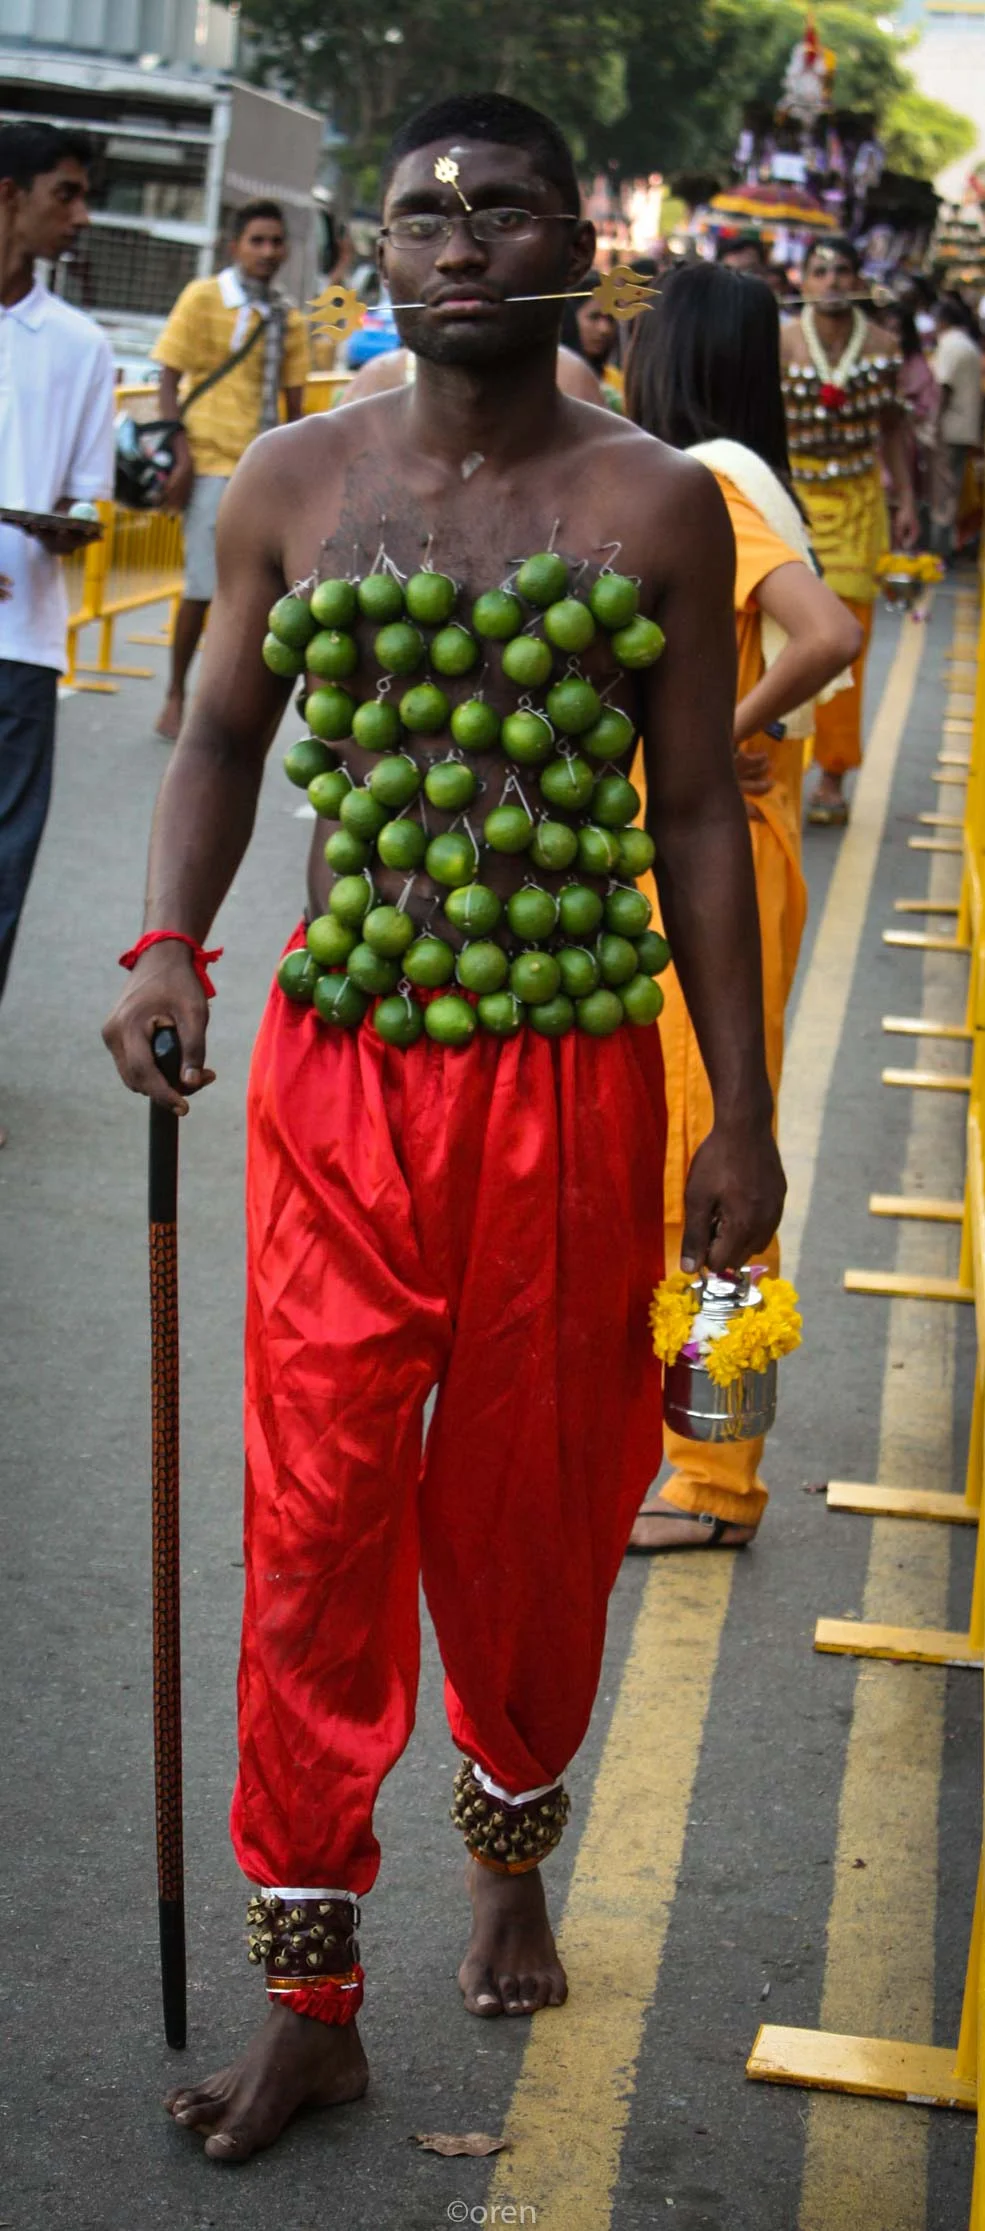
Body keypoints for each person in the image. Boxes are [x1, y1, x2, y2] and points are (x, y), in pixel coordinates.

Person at [103, 90, 784, 2164]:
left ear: (580, 245)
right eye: (421, 211)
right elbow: (222, 727)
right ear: (374, 253)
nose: (459, 234)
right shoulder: (292, 483)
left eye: (501, 207)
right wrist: (165, 945)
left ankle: (509, 1826)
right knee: (312, 1520)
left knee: (531, 1505)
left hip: (568, 1070)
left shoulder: (656, 503)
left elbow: (689, 810)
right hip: (342, 1072)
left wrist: (737, 1102)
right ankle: (314, 1989)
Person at [623, 263, 860, 1552]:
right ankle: (688, 1453)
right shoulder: (739, 473)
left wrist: (717, 733)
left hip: (712, 864)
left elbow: (821, 634)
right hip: (725, 852)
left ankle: (712, 1475)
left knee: (706, 1159)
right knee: (686, 1147)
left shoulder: (704, 479)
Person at [0, 122, 114, 1136]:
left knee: (0, 869)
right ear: (9, 195)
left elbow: (86, 508)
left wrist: (59, 525)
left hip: (21, 647)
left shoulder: (82, 347)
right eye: (66, 195)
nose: (81, 217)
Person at [152, 201, 310, 741]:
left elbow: (297, 405)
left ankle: (227, 705)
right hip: (211, 462)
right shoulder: (203, 298)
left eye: (276, 242)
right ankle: (175, 692)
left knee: (257, 596)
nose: (268, 252)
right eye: (257, 241)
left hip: (263, 469)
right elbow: (168, 376)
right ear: (235, 245)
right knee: (201, 588)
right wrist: (178, 447)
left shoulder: (288, 316)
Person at [781, 235, 918, 826]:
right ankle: (781, 759)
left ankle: (833, 771)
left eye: (842, 270)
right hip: (795, 496)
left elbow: (893, 429)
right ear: (804, 281)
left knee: (848, 640)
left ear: (857, 280)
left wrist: (907, 497)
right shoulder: (779, 342)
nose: (832, 280)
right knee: (787, 635)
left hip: (861, 502)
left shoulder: (885, 345)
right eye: (821, 270)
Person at [930, 295, 982, 565]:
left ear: (942, 321)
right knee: (952, 486)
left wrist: (932, 425)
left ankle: (940, 548)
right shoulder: (968, 345)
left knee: (944, 488)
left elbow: (942, 389)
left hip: (949, 429)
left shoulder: (951, 346)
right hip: (964, 427)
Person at [880, 303, 938, 543]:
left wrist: (904, 409)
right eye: (886, 328)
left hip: (901, 441)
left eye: (897, 330)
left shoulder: (915, 364)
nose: (892, 335)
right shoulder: (873, 355)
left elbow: (925, 406)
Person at [560, 272, 623, 405]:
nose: (604, 329)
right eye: (594, 317)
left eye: (610, 319)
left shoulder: (617, 382)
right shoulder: (554, 379)